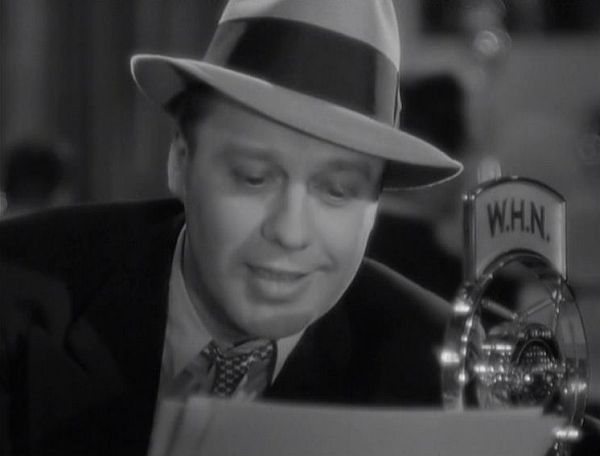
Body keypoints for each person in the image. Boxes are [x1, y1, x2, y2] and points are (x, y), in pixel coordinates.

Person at [1, 1, 595, 455]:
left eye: (338, 190)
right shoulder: (18, 290)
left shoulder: (446, 367)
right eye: (254, 177)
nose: (290, 232)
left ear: (376, 204)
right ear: (181, 161)